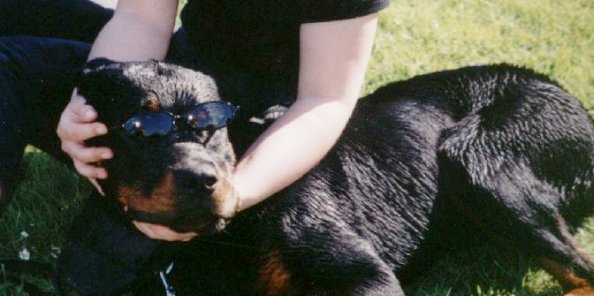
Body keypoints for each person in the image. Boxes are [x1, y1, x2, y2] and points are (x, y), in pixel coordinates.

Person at [0, 0, 389, 242]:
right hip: (182, 82)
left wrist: (232, 193)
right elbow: (142, 19)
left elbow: (324, 100)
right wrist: (86, 108)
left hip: (257, 123)